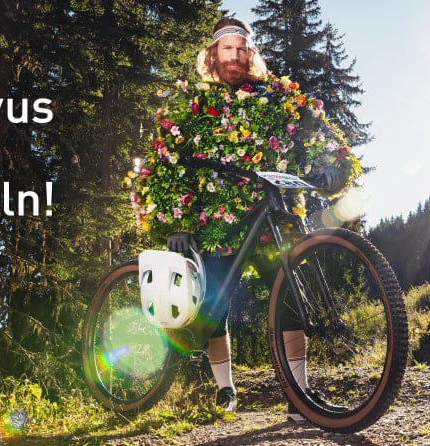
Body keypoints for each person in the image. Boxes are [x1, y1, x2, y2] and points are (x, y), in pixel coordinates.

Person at [134, 16, 356, 420]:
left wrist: (332, 168)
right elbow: (164, 162)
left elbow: (317, 131)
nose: (234, 56)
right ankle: (225, 391)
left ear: (249, 54)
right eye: (227, 49)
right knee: (213, 309)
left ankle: (300, 396)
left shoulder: (277, 97)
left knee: (290, 304)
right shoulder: (191, 104)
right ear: (213, 54)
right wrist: (176, 223)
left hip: (274, 219)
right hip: (217, 226)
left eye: (241, 49)